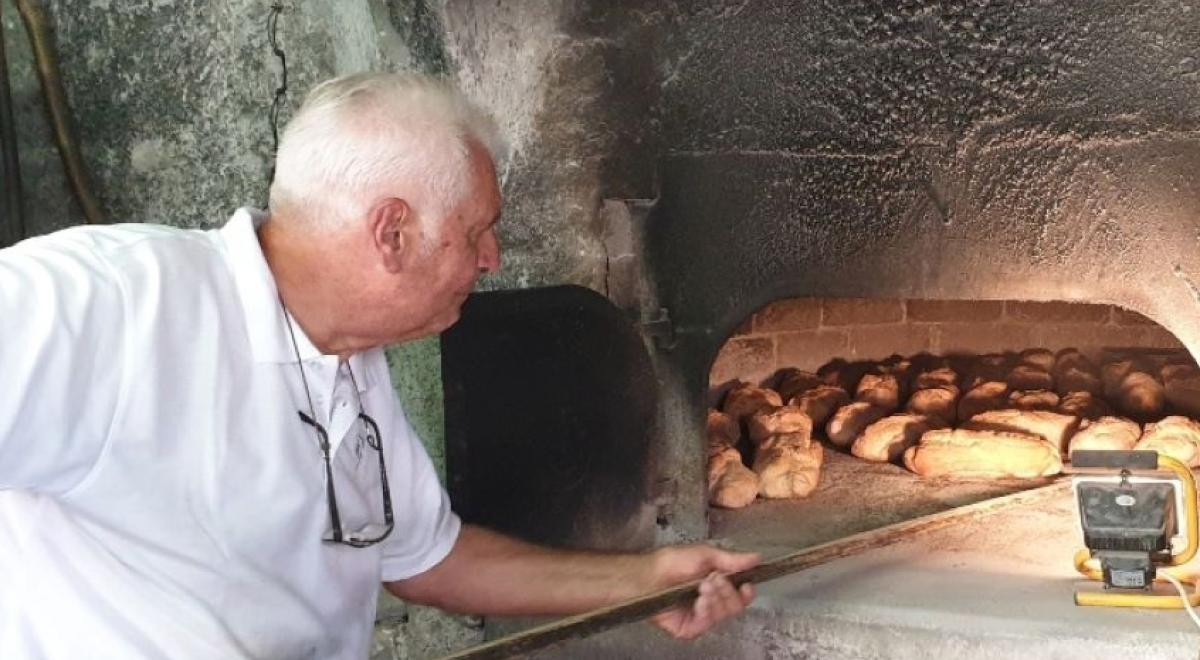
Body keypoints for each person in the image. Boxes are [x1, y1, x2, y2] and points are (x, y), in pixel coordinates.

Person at [0, 72, 757, 659]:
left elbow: (423, 556)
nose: (492, 260)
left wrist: (642, 581)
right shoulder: (114, 300)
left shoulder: (347, 354)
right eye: (478, 231)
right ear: (392, 232)